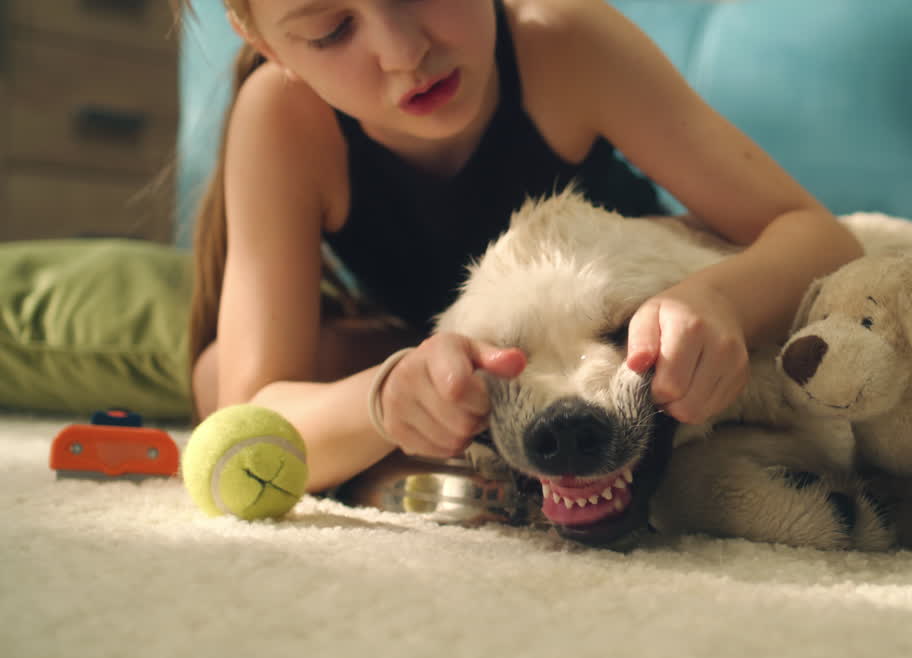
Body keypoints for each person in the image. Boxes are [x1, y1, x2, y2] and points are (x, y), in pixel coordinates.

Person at [183, 0, 865, 493]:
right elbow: (247, 421)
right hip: (444, 359)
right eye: (332, 30)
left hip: (624, 358)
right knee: (218, 378)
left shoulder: (564, 41)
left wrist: (713, 300)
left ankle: (431, 465)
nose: (403, 52)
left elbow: (821, 238)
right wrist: (389, 397)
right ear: (267, 44)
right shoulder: (282, 116)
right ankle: (426, 459)